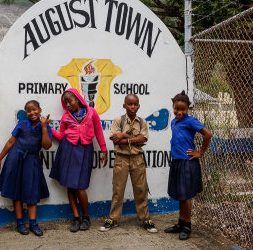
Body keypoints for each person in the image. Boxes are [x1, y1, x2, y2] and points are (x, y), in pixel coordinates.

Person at [50, 88, 107, 232]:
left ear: (78, 99)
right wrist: (47, 128)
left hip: (86, 150)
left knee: (80, 186)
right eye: (65, 103)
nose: (68, 105)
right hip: (68, 150)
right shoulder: (66, 117)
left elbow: (98, 131)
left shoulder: (91, 112)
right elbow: (62, 136)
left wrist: (104, 149)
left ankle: (86, 217)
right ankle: (76, 218)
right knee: (70, 185)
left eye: (70, 101)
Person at [99, 94, 157, 233]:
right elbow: (115, 139)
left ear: (139, 106)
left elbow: (143, 139)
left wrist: (124, 136)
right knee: (118, 190)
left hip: (137, 158)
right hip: (121, 158)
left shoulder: (142, 122)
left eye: (135, 104)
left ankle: (145, 219)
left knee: (141, 189)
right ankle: (113, 219)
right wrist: (132, 138)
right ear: (124, 105)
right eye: (129, 104)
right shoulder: (119, 120)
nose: (132, 106)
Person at [0, 100, 52, 237]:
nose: (32, 112)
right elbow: (10, 142)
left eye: (34, 109)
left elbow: (47, 146)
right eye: (29, 110)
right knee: (17, 192)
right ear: (26, 113)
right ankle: (20, 223)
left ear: (40, 110)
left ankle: (33, 223)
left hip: (32, 161)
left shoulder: (46, 127)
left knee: (32, 192)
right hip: (15, 159)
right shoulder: (22, 125)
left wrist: (44, 127)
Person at [164, 90, 212, 240]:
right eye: (177, 108)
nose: (179, 112)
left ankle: (187, 226)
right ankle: (180, 223)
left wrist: (200, 152)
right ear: (173, 107)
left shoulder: (190, 121)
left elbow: (208, 134)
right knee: (180, 194)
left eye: (183, 109)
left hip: (187, 163)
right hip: (177, 161)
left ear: (188, 109)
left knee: (186, 197)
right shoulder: (173, 122)